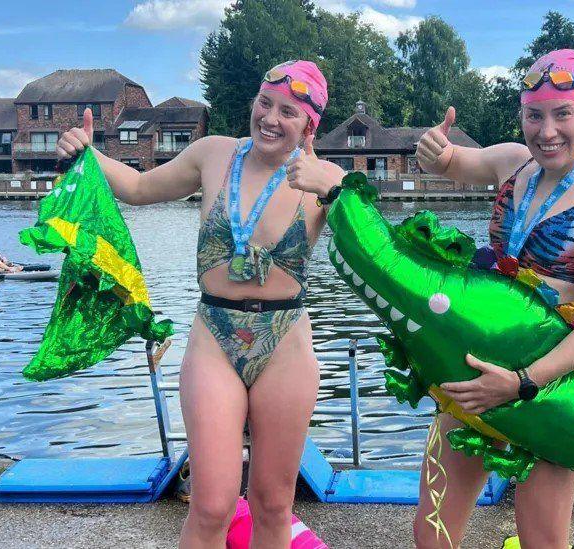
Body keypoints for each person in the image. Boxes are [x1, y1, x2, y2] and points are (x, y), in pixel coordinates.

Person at [57, 60, 345, 549]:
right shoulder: (214, 155)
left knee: (273, 505)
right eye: (265, 103)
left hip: (286, 343)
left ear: (310, 124)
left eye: (289, 111)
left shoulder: (327, 179)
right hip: (214, 334)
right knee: (212, 504)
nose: (270, 118)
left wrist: (334, 191)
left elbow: (375, 252)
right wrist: (88, 153)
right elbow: (141, 188)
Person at [413, 49, 574, 548]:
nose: (546, 130)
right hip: (476, 372)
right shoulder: (513, 163)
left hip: (554, 386)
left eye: (563, 114)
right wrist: (432, 150)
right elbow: (452, 163)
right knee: (431, 533)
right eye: (534, 115)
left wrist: (521, 383)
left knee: (542, 540)